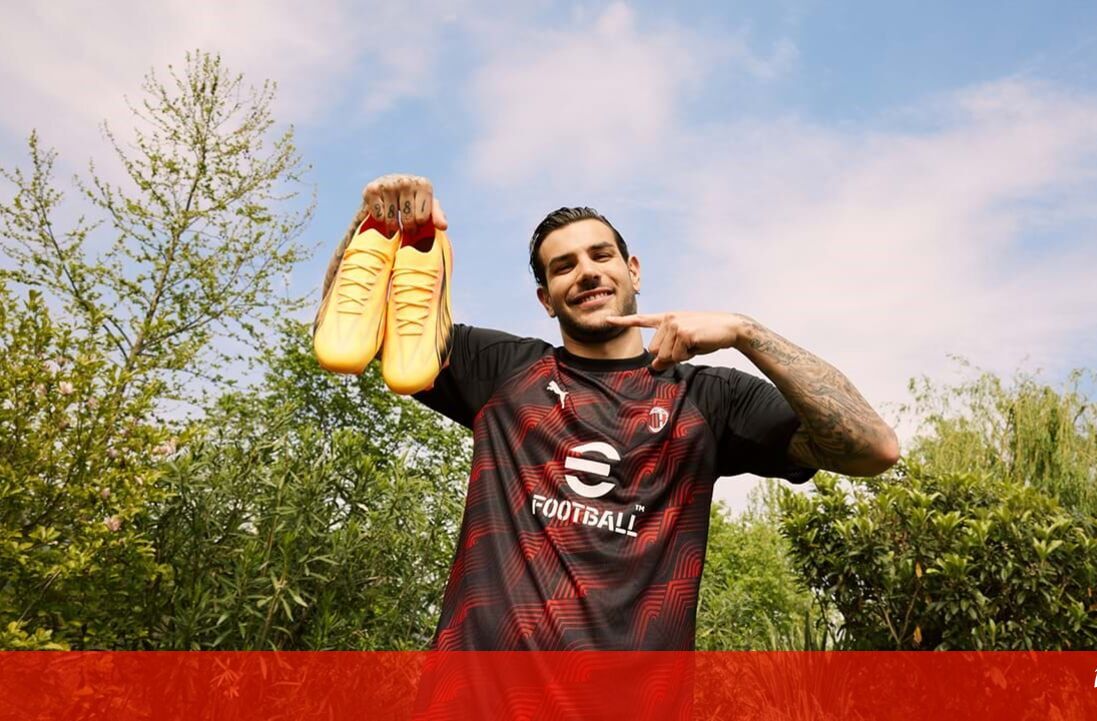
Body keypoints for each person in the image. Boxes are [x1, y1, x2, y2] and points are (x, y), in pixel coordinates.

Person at [317, 174, 900, 651]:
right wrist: (376, 225)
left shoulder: (711, 399)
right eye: (563, 266)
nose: (587, 272)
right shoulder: (499, 370)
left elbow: (874, 449)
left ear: (633, 270)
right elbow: (345, 328)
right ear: (546, 300)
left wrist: (748, 333)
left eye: (600, 255)